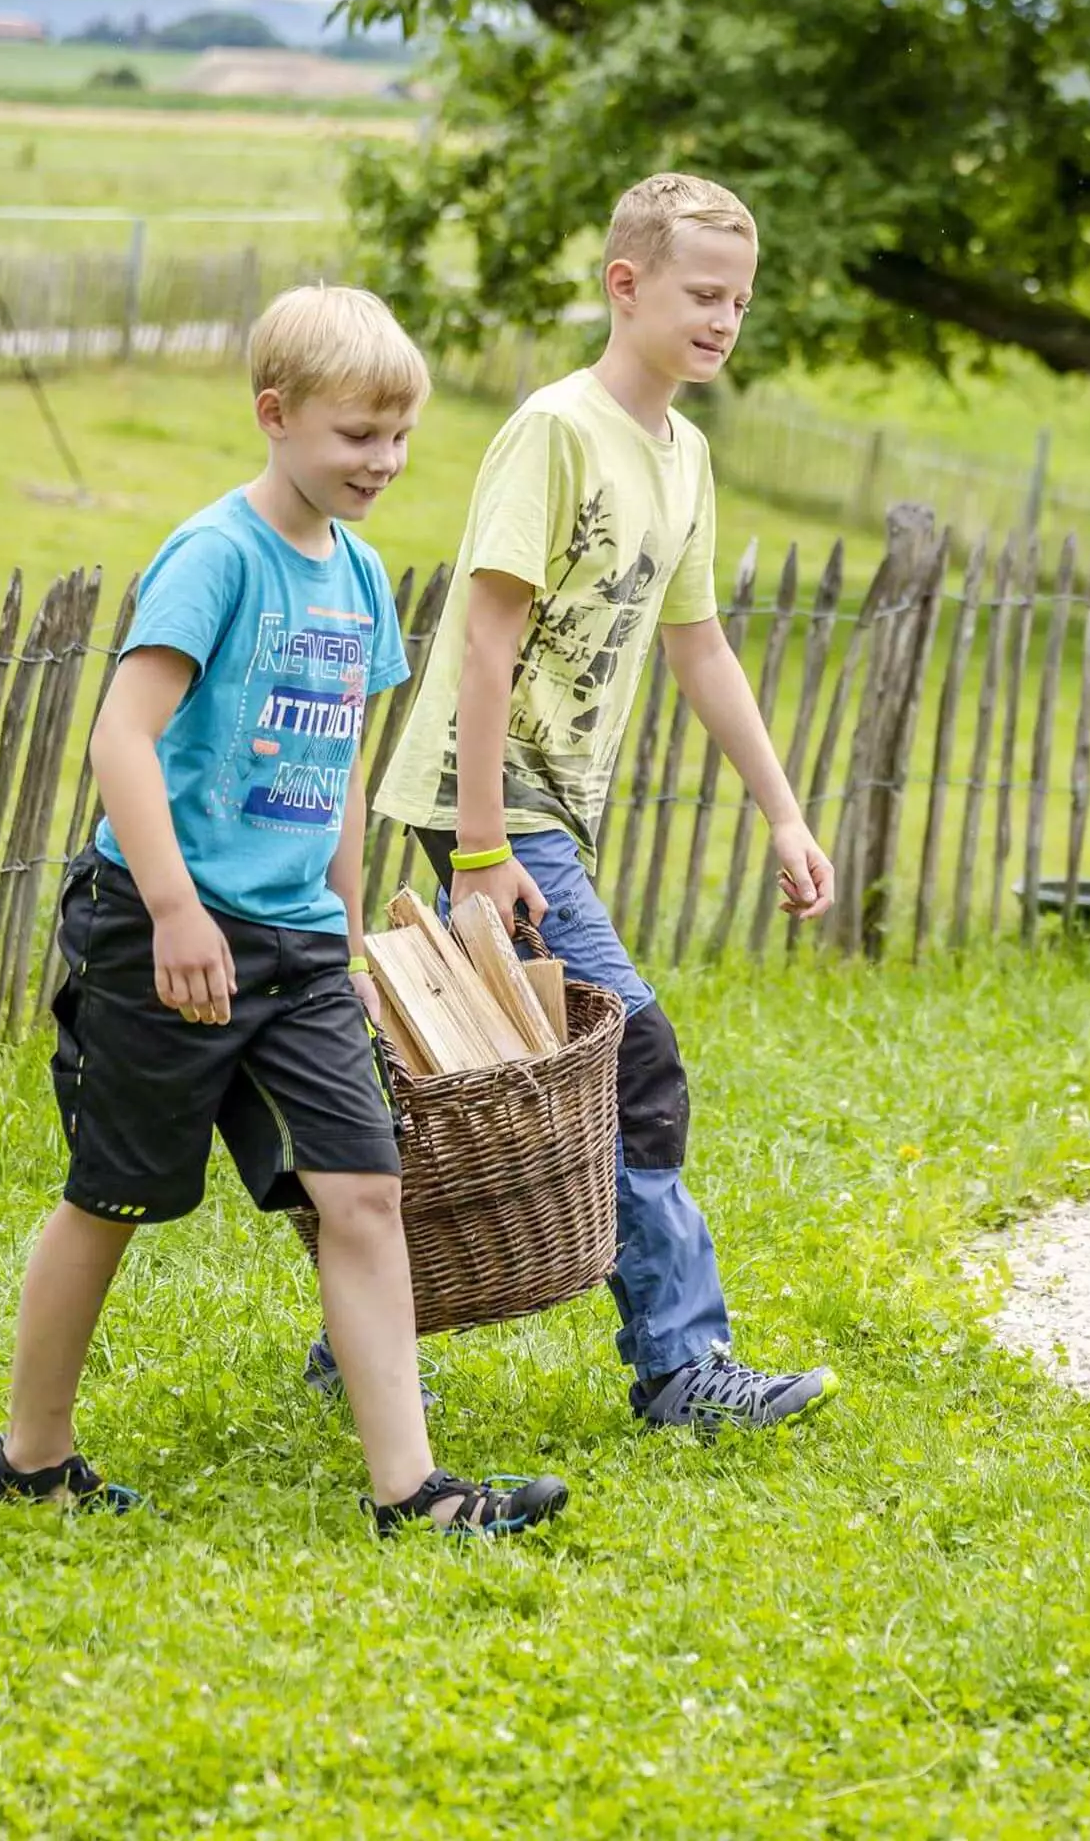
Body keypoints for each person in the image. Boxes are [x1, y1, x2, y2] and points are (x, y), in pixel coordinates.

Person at [0, 284, 568, 1537]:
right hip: (163, 937)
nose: (386, 461)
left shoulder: (359, 577)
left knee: (363, 1190)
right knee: (116, 1191)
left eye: (401, 435)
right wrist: (177, 908)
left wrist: (350, 945)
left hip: (299, 946)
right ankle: (33, 1453)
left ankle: (411, 1491)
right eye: (358, 434)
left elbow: (343, 780)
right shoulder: (217, 556)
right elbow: (121, 738)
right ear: (276, 415)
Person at [366, 172, 835, 1435]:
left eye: (739, 298)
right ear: (624, 286)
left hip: (544, 814)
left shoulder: (683, 454)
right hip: (489, 802)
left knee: (499, 1079)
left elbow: (702, 648)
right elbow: (483, 640)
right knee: (634, 1058)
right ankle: (684, 1369)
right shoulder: (557, 430)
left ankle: (358, 1331)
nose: (725, 319)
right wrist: (475, 848)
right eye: (701, 294)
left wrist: (783, 813)